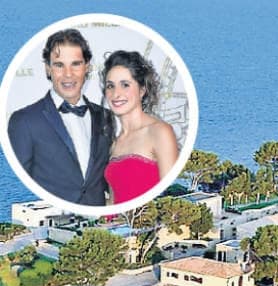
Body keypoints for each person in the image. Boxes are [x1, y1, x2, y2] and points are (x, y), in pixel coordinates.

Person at [8, 29, 112, 206]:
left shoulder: (105, 117)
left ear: (87, 67)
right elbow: (19, 184)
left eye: (76, 64)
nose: (68, 74)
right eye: (59, 65)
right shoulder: (24, 121)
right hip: (53, 216)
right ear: (48, 68)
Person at [101, 50, 178, 204]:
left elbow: (170, 198)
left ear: (142, 90)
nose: (116, 94)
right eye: (110, 86)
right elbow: (114, 199)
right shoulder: (114, 142)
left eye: (125, 85)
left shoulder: (159, 132)